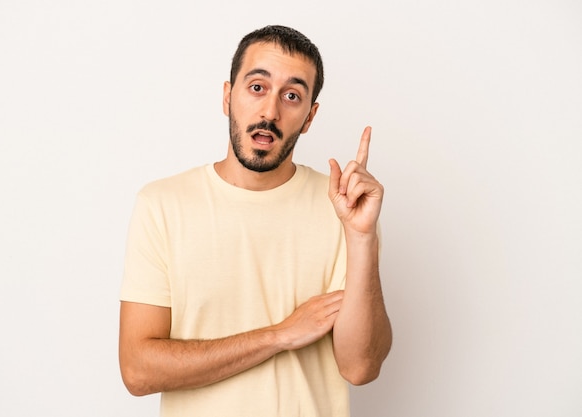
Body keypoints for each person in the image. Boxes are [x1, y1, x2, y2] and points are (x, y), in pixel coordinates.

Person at [118, 25, 392, 417]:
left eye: (292, 96)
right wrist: (279, 335)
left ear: (310, 116)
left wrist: (362, 236)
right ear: (228, 96)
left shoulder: (345, 210)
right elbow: (138, 370)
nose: (270, 112)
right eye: (257, 88)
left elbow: (360, 366)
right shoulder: (162, 204)